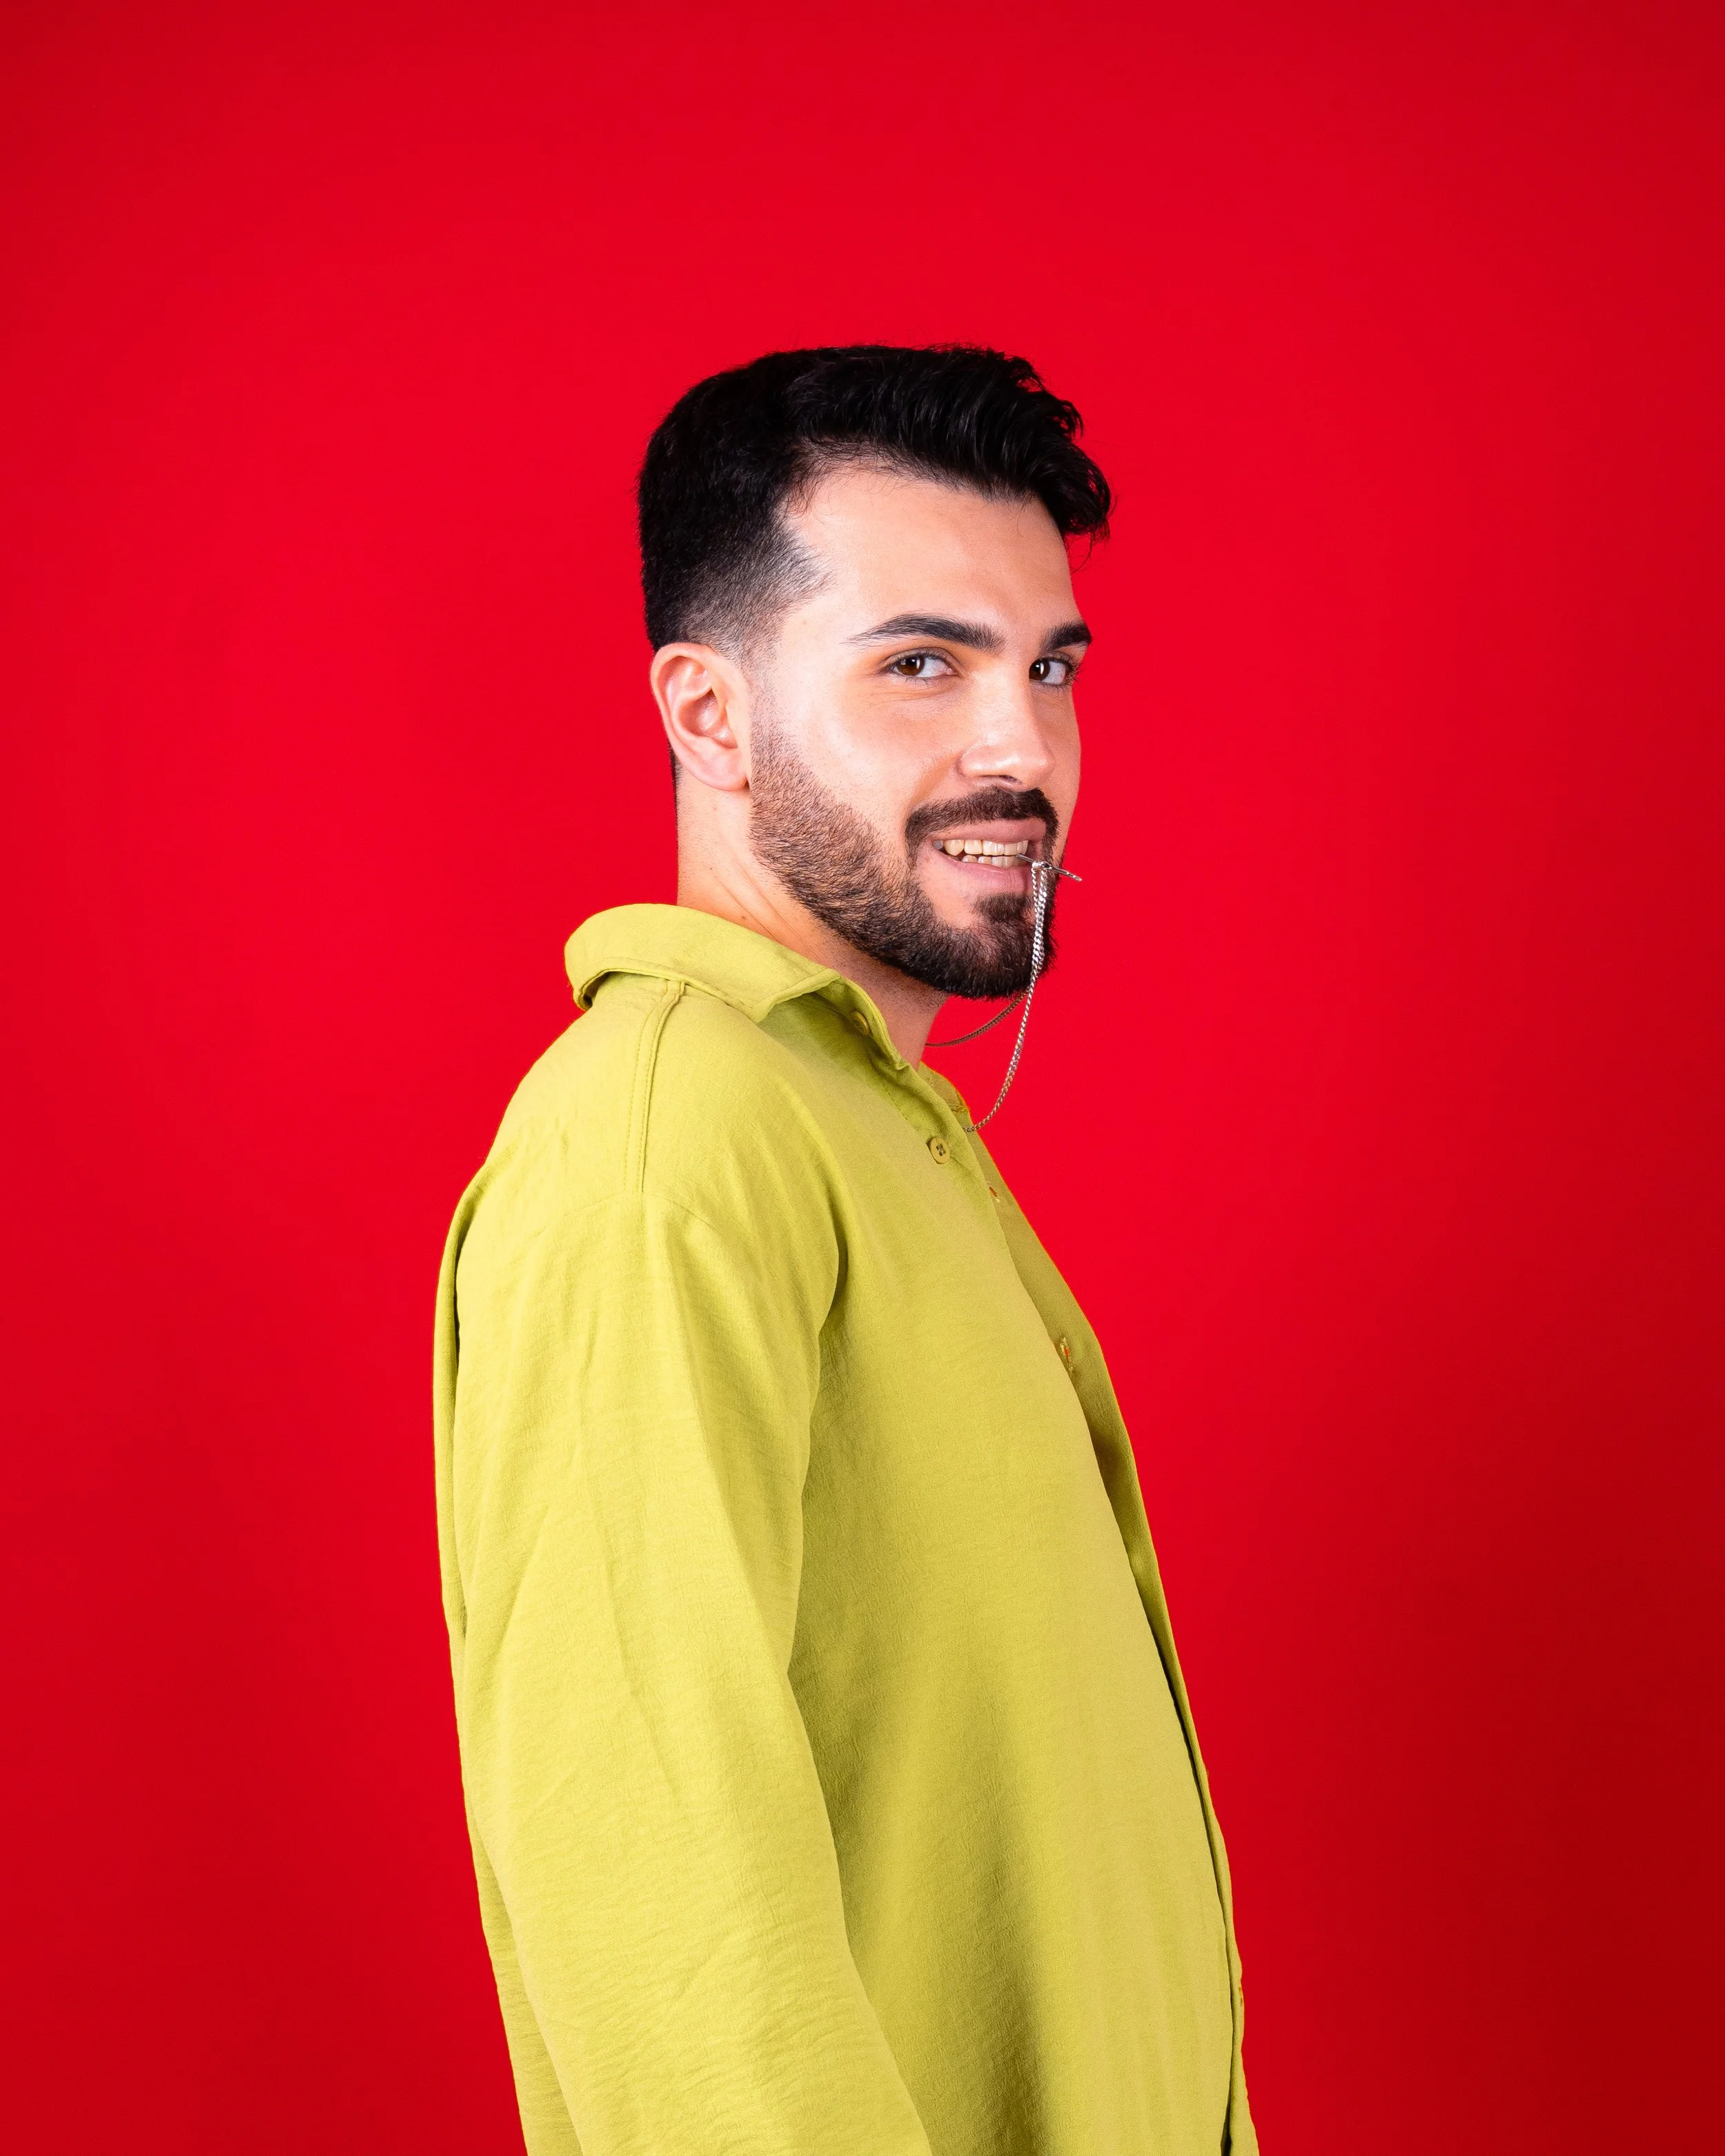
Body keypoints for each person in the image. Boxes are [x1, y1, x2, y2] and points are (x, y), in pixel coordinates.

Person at [433, 345, 1258, 2156]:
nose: (1018, 748)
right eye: (920, 665)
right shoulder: (669, 1131)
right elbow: (650, 1870)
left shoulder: (878, 1127)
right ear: (709, 714)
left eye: (1048, 667)